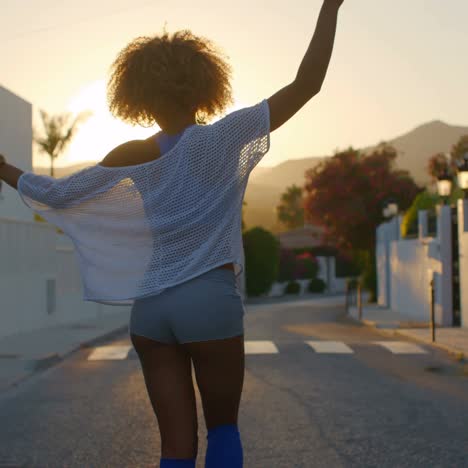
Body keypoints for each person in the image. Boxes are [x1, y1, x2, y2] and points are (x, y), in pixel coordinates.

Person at [0, 0, 344, 466]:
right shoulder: (225, 137)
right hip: (209, 298)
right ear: (203, 87)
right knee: (222, 431)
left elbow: (57, 194)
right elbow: (308, 84)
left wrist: (3, 168)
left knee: (174, 448)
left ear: (140, 94)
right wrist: (330, 7)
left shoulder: (132, 153)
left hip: (151, 308)